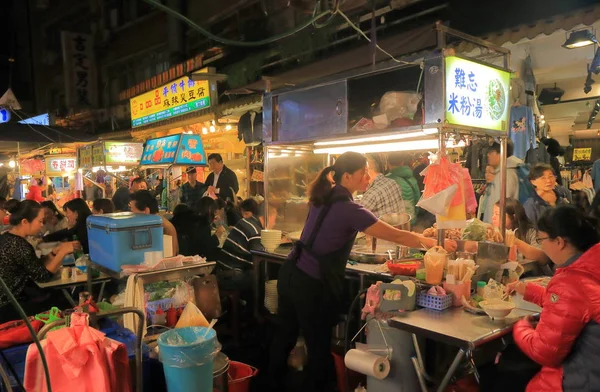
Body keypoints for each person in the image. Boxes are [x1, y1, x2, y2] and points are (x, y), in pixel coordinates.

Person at [268, 152, 456, 392]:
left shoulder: (323, 197)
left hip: (291, 273)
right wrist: (432, 243)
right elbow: (396, 235)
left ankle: (269, 385)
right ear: (347, 176)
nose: (367, 177)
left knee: (284, 337)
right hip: (310, 284)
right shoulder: (349, 208)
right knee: (318, 348)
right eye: (362, 173)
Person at [502, 205, 600, 391]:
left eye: (541, 239)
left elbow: (544, 352)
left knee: (503, 373)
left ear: (560, 242)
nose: (541, 245)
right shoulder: (591, 264)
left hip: (581, 379)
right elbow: (574, 306)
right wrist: (527, 290)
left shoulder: (571, 281)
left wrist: (520, 326)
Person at [0, 200, 78, 322]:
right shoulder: (19, 245)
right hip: (11, 306)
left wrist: (53, 253)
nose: (42, 225)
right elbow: (43, 276)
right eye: (40, 221)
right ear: (25, 222)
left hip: (8, 301)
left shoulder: (7, 238)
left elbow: (34, 265)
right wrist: (63, 252)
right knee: (62, 300)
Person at [482, 140, 522, 224]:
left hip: (500, 226)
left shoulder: (506, 174)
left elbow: (501, 206)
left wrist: (493, 227)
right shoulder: (503, 172)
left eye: (491, 152)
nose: (488, 155)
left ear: (501, 153)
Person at [130, 190, 178, 256]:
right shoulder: (148, 225)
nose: (132, 215)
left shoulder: (165, 228)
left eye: (133, 212)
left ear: (146, 211)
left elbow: (170, 258)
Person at [221, 198, 263, 268]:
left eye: (246, 214)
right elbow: (257, 259)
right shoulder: (254, 229)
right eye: (242, 214)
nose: (243, 216)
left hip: (227, 269)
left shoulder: (247, 224)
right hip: (235, 272)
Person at [360, 154, 405, 218]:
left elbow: (354, 219)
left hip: (384, 227)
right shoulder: (393, 182)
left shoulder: (371, 194)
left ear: (367, 171)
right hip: (398, 225)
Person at [386, 152, 420, 225]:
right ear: (402, 162)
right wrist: (414, 215)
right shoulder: (412, 179)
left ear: (388, 163)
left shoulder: (385, 180)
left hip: (393, 222)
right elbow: (418, 201)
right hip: (411, 219)